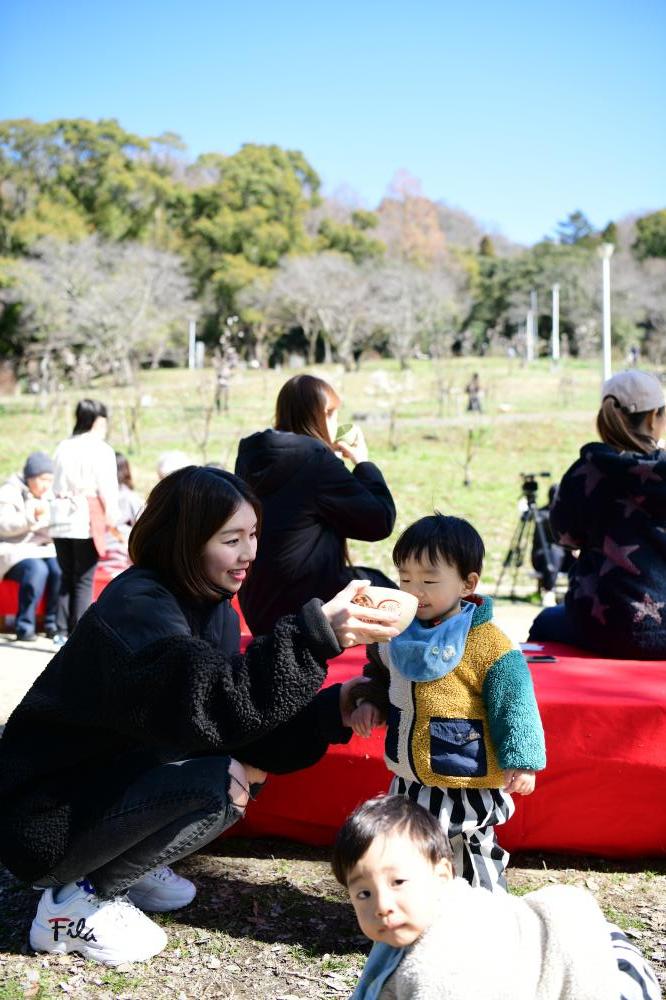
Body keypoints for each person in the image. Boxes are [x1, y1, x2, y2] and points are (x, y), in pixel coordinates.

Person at [0, 466, 400, 968]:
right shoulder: (139, 607)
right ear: (184, 541)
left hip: (96, 789)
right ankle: (73, 904)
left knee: (240, 773)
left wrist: (334, 709)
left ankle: (124, 864)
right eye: (231, 539)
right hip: (42, 817)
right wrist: (319, 634)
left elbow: (238, 725)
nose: (250, 553)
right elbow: (212, 706)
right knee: (223, 784)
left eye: (253, 535)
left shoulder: (213, 608)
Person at [348, 513, 545, 892]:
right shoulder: (395, 636)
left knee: (466, 852)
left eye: (429, 580)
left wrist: (522, 760)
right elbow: (381, 675)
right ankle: (415, 920)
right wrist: (370, 701)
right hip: (407, 778)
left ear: (467, 583)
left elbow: (516, 704)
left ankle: (487, 921)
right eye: (405, 578)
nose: (415, 590)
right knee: (406, 850)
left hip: (463, 779)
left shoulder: (489, 645)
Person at [331, 795, 660, 1000]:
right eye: (364, 893)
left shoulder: (445, 969)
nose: (382, 906)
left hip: (603, 970)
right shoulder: (408, 926)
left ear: (443, 875)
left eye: (399, 881)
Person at [235, 373, 397, 635]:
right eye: (332, 414)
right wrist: (363, 462)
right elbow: (380, 521)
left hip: (258, 605)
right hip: (307, 609)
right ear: (318, 415)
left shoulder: (252, 455)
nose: (335, 423)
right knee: (391, 596)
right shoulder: (316, 462)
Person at [529, 370, 666, 658]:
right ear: (655, 417)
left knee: (543, 623)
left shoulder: (585, 471)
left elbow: (563, 535)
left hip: (596, 627)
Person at [50, 399, 120, 643]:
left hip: (60, 516)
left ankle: (59, 630)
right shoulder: (100, 449)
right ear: (97, 421)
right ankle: (77, 635)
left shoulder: (62, 446)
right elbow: (107, 488)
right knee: (83, 579)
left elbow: (54, 484)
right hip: (85, 516)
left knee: (67, 575)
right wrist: (114, 516)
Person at [0, 452, 62, 641]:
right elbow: (3, 525)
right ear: (30, 477)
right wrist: (31, 517)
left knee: (59, 569)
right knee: (37, 570)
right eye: (42, 479)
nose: (46, 485)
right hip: (14, 550)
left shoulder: (49, 495)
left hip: (42, 548)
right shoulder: (9, 492)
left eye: (50, 480)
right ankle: (25, 626)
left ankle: (51, 623)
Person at [97, 453, 144, 579]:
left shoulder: (94, 496)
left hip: (95, 553)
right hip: (121, 556)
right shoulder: (129, 497)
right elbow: (143, 525)